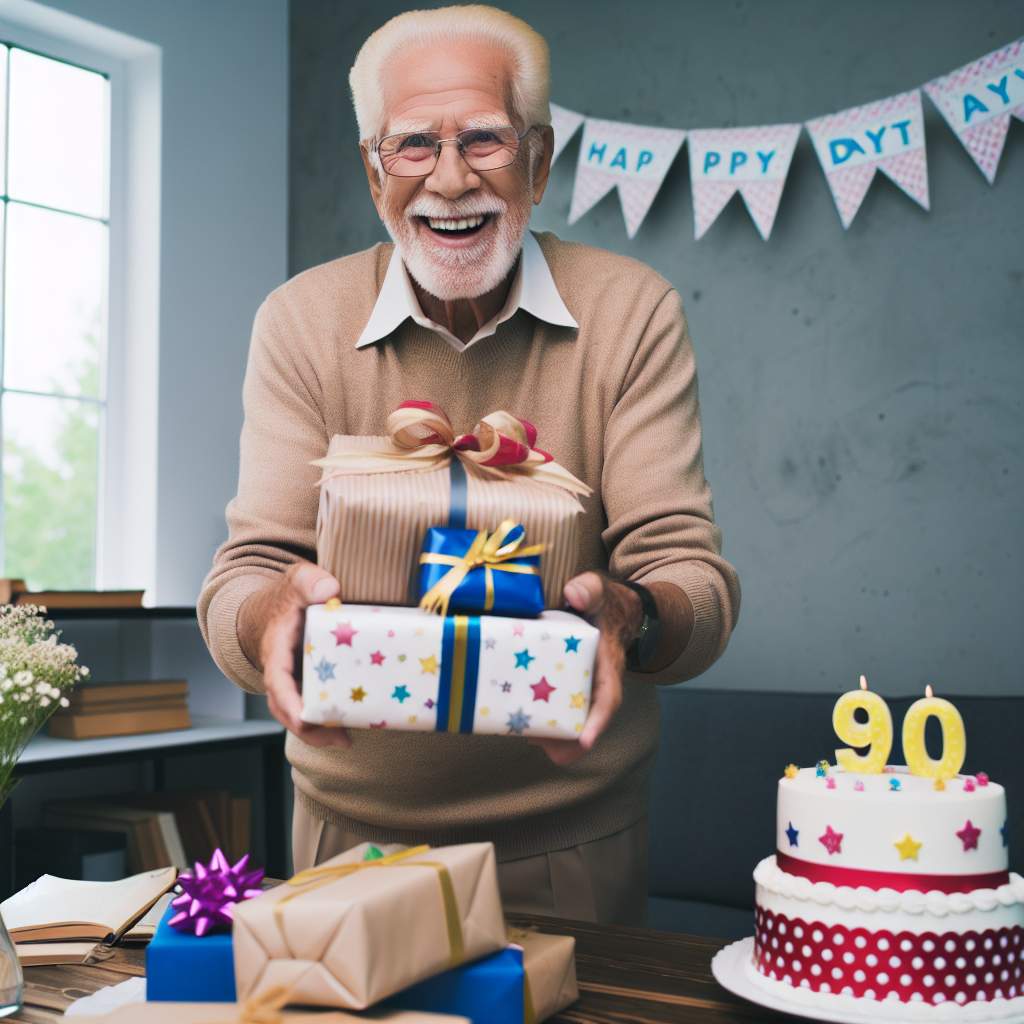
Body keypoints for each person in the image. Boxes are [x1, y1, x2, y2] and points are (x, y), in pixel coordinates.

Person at [197, 3, 740, 926]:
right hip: (343, 840)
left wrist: (631, 614)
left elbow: (694, 579)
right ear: (375, 171)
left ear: (539, 157)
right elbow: (240, 582)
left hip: (571, 843)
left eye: (483, 138)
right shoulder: (300, 320)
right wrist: (268, 618)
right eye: (413, 145)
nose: (449, 179)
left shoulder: (630, 310)